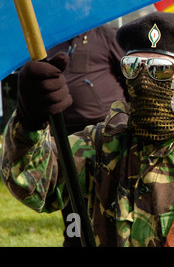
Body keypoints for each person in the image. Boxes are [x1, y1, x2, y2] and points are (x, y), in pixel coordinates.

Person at [0, 12, 174, 247]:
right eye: (133, 68)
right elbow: (35, 186)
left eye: (160, 70)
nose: (143, 80)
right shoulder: (99, 146)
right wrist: (29, 119)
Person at [47, 24, 127, 246]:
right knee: (71, 195)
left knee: (105, 193)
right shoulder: (51, 38)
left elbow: (128, 77)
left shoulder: (107, 35)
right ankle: (73, 240)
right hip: (64, 134)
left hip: (104, 134)